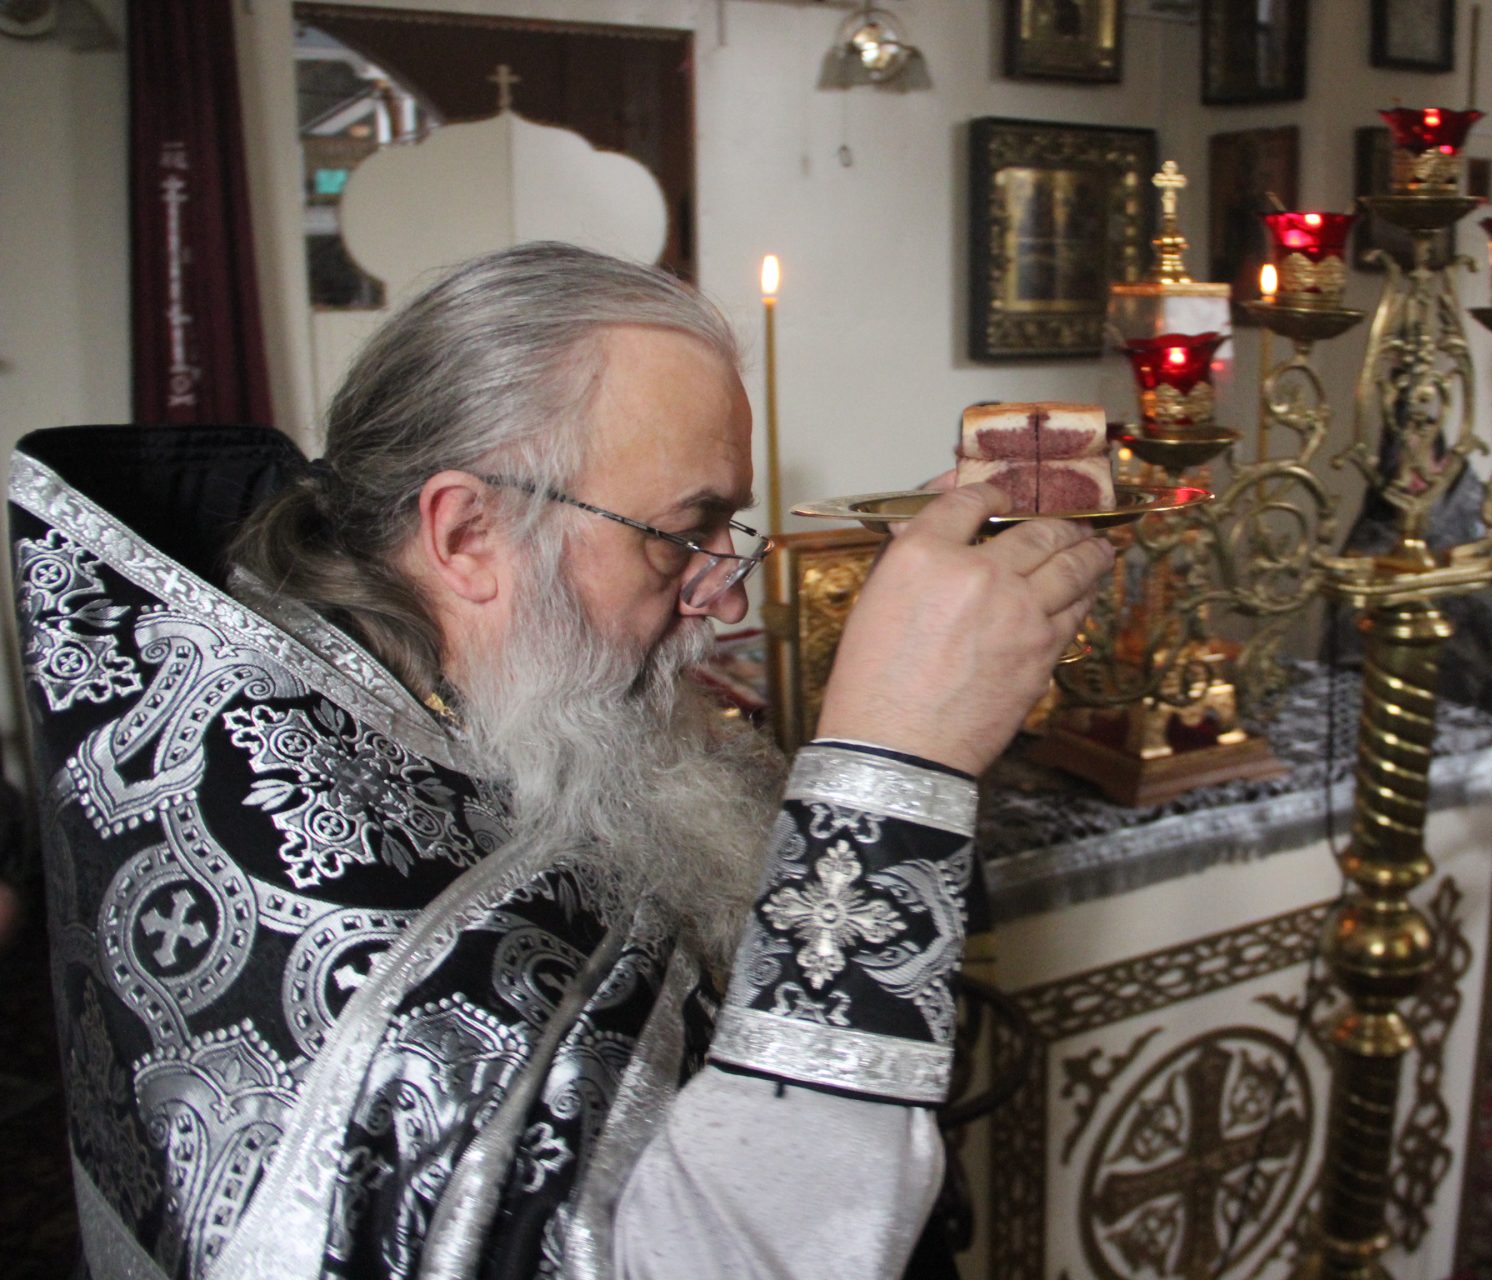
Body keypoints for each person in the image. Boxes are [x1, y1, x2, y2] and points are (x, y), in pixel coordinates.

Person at [8, 242, 1113, 1279]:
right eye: (681, 532)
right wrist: (893, 761)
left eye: (727, 532)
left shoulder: (461, 694)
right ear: (466, 533)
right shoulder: (331, 905)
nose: (723, 597)